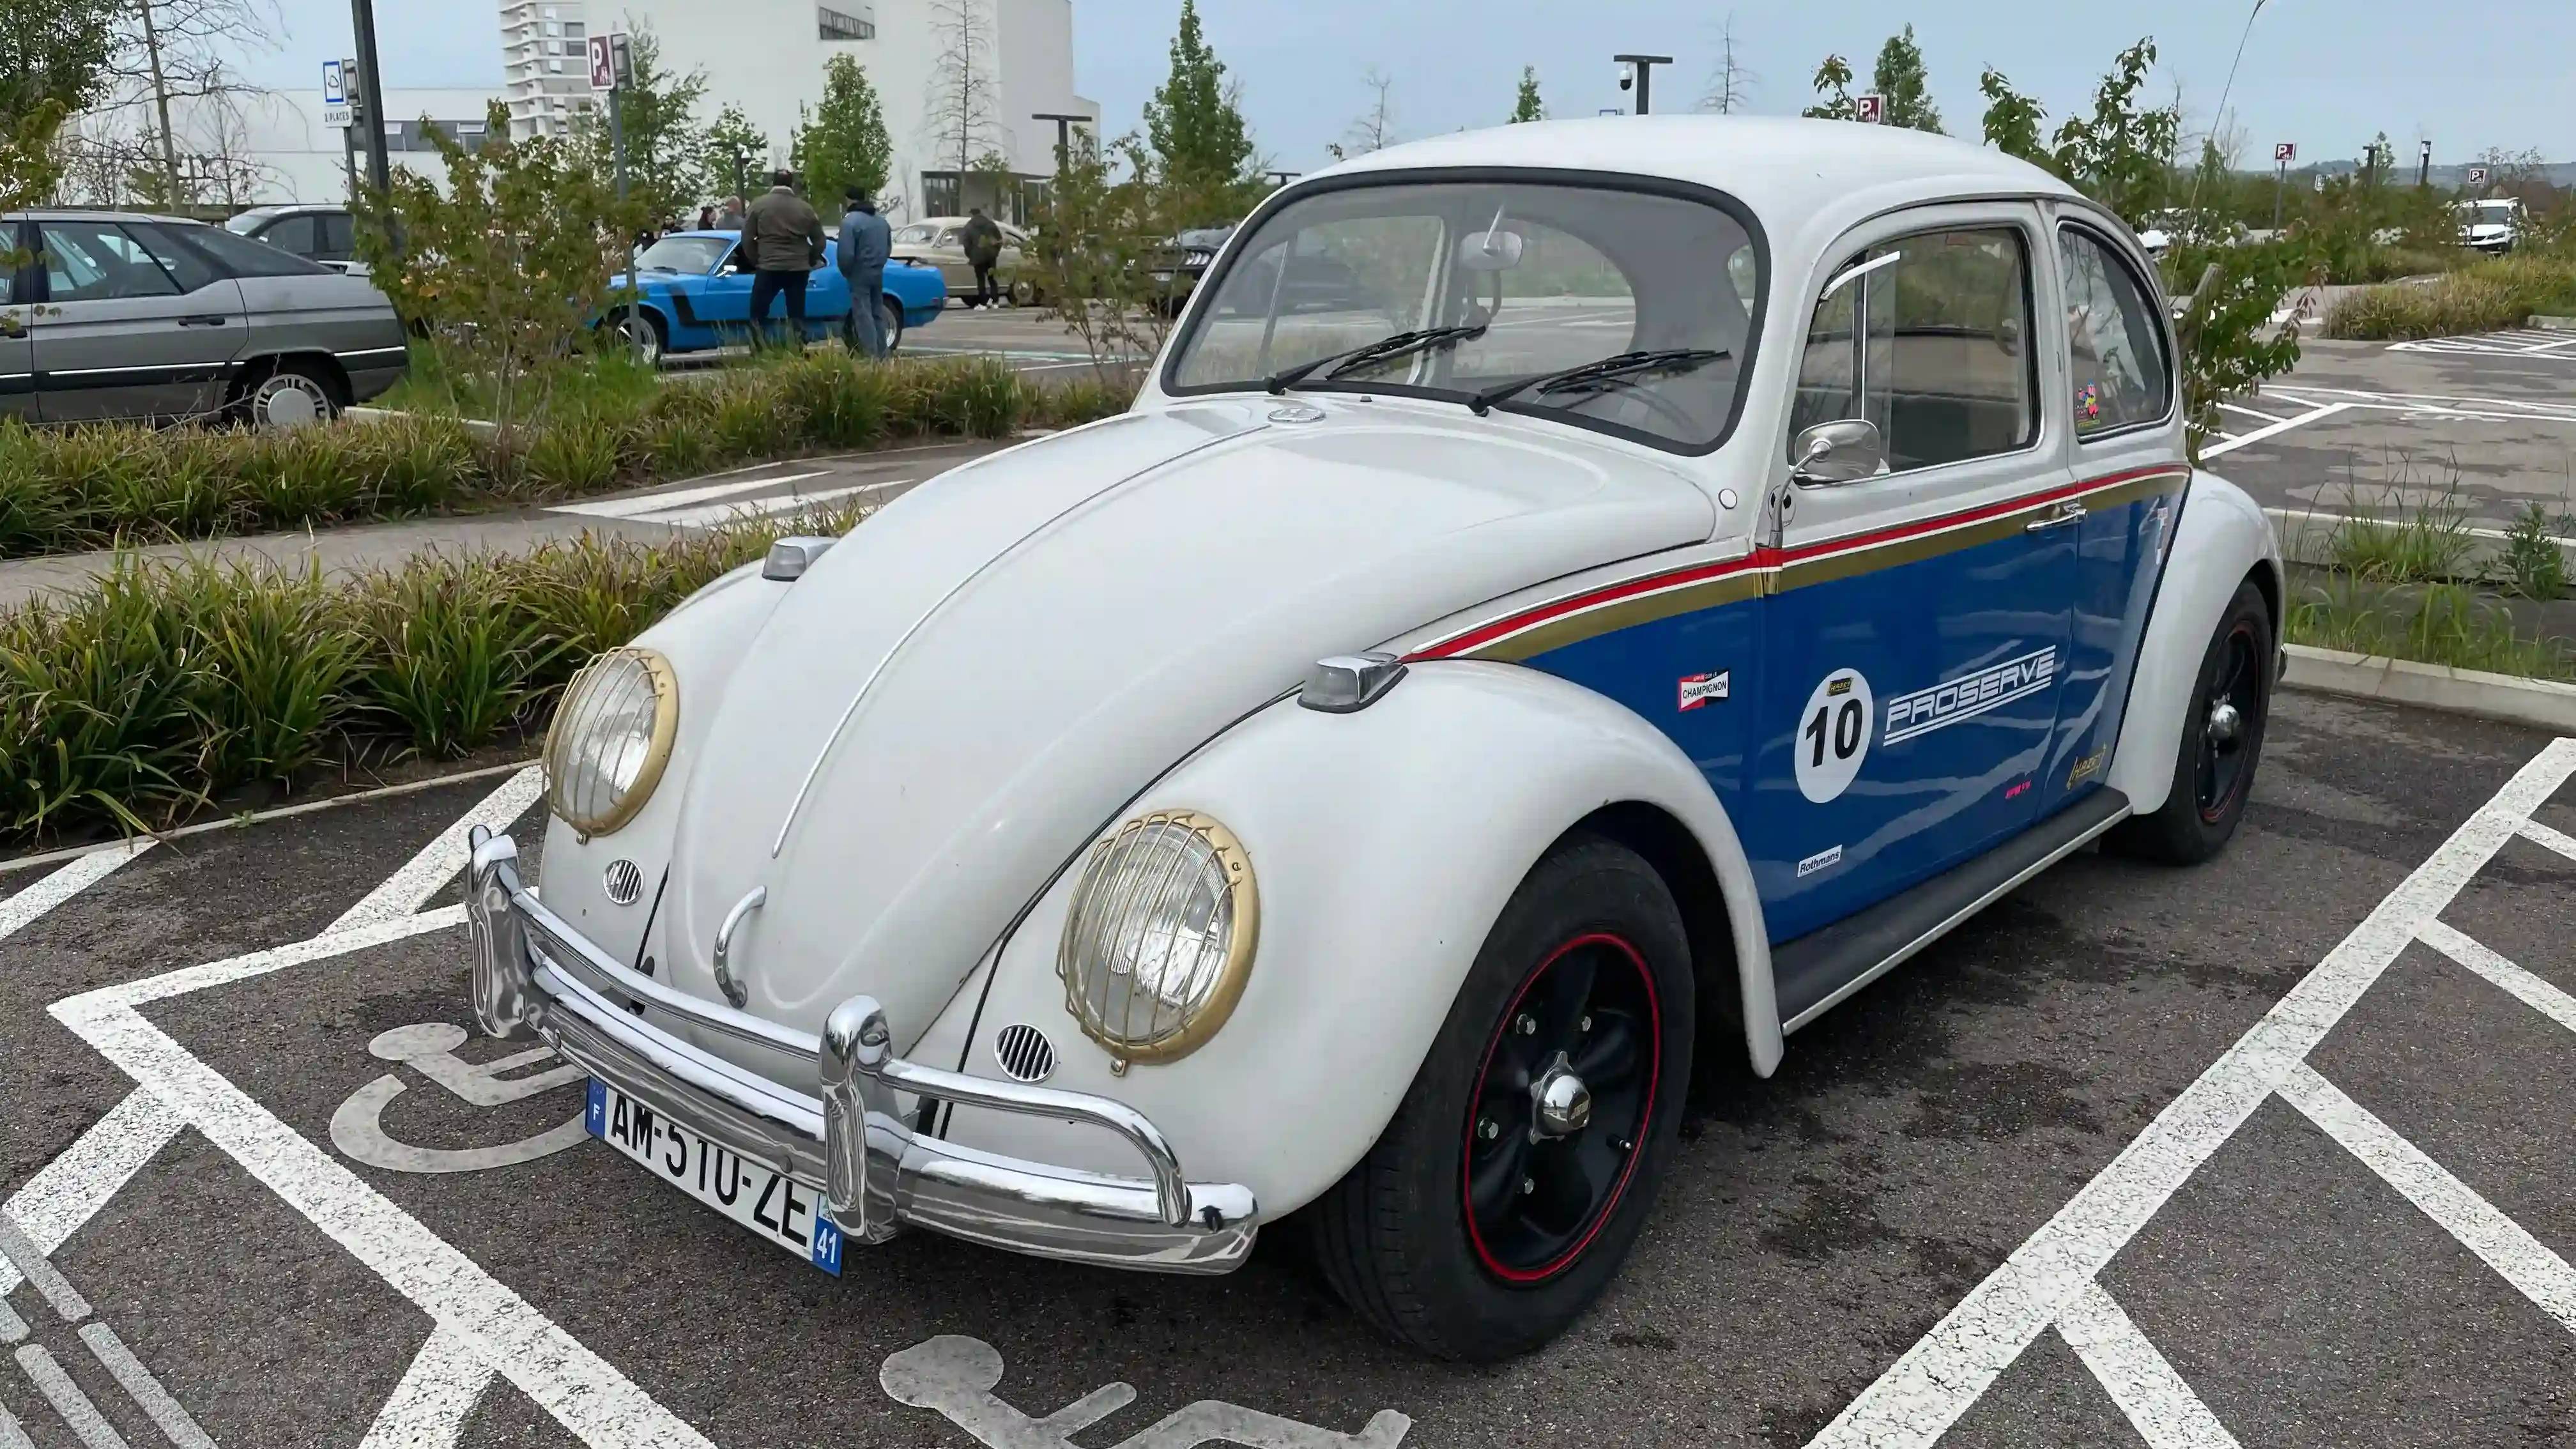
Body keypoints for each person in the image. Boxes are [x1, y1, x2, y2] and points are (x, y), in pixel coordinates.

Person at [742, 169, 824, 347]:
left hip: (769, 266)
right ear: (792, 184)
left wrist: (756, 260)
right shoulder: (805, 208)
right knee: (796, 310)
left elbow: (747, 238)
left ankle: (759, 346)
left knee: (758, 309)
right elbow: (820, 241)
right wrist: (809, 259)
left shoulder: (759, 205)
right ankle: (797, 345)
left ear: (773, 183)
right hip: (798, 267)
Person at [838, 187, 893, 359]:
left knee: (863, 314)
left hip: (859, 272)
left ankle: (871, 356)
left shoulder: (850, 222)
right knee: (877, 312)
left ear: (849, 200)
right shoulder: (881, 221)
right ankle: (883, 354)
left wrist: (847, 272)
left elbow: (846, 254)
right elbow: (888, 248)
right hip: (877, 271)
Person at [959, 206, 1004, 309]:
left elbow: (966, 243)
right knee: (992, 279)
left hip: (977, 256)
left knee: (981, 280)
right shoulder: (991, 224)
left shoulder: (969, 226)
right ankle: (995, 302)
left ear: (972, 214)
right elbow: (999, 240)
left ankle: (983, 303)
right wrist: (995, 252)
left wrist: (971, 254)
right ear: (981, 213)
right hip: (991, 255)